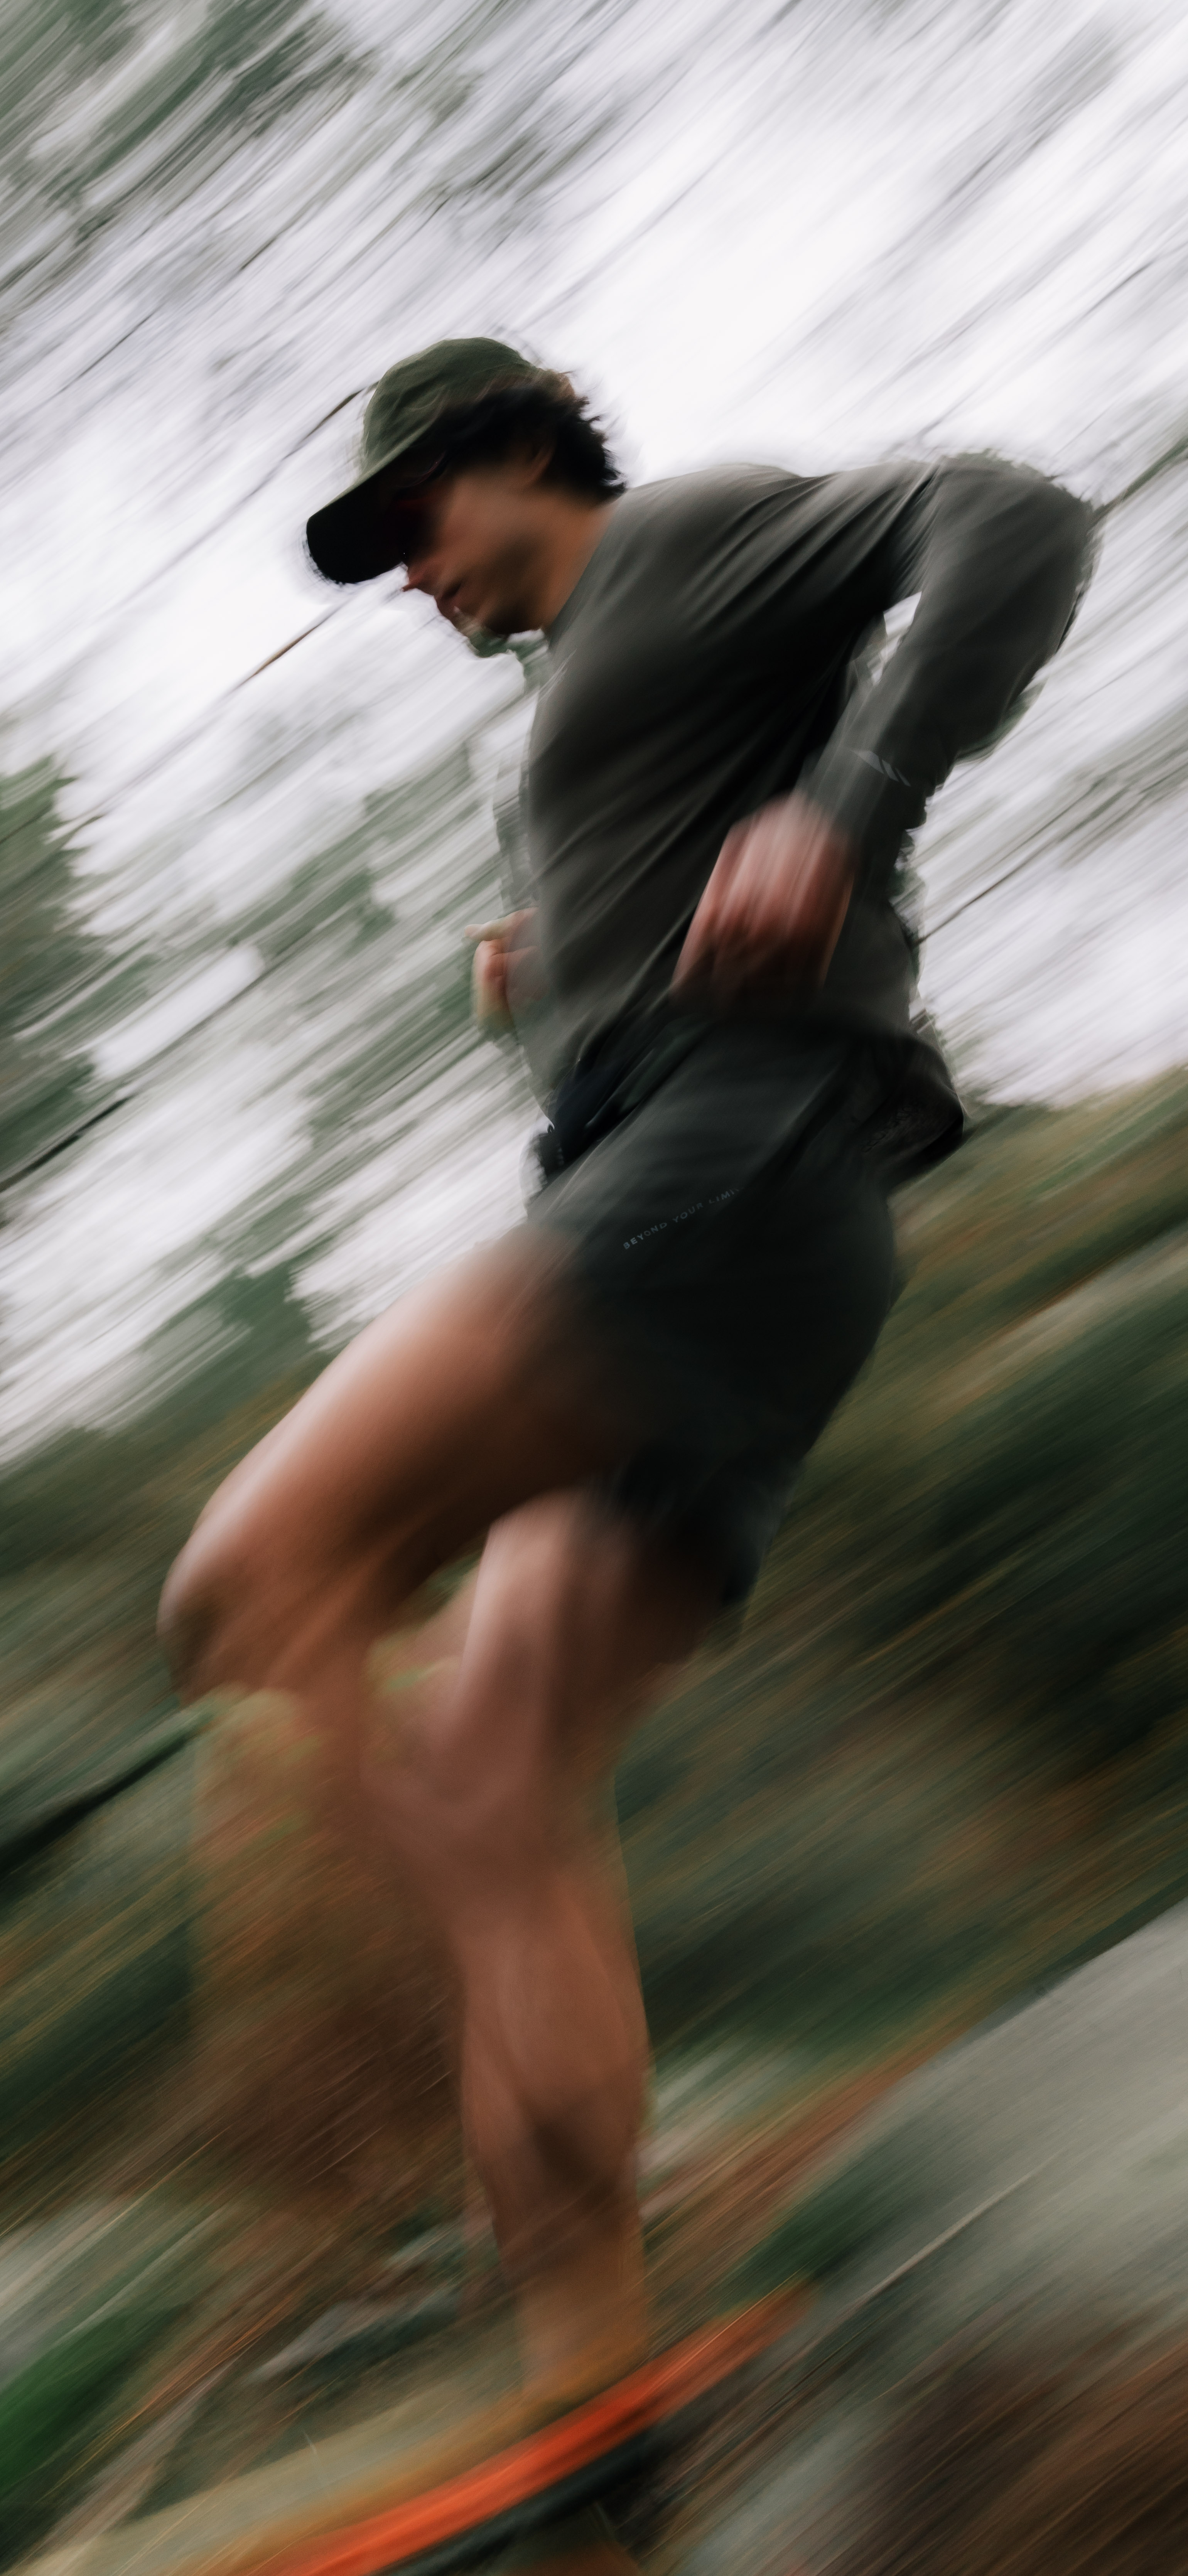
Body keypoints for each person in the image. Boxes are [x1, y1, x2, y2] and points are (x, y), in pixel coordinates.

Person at [159, 341, 1094, 2425]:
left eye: (413, 518)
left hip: (730, 1161)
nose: (408, 572)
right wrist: (547, 974)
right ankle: (594, 2422)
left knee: (247, 1580)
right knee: (504, 1785)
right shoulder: (577, 701)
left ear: (521, 454)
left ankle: (351, 2107)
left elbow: (1018, 517)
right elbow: (665, 918)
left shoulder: (676, 542)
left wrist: (848, 812)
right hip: (729, 1207)